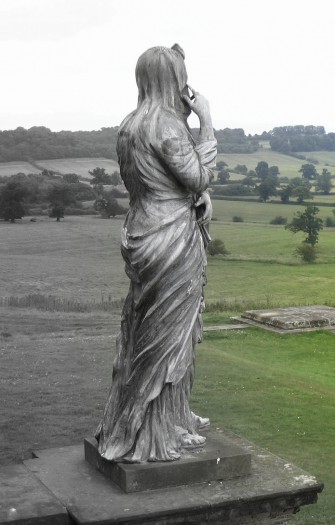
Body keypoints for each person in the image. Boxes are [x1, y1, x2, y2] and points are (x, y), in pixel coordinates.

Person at [96, 44, 216, 463]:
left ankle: (171, 417)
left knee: (149, 334)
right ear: (174, 80)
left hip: (142, 232)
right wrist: (207, 122)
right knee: (166, 340)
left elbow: (159, 186)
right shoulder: (167, 125)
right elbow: (198, 177)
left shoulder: (131, 124)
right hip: (171, 240)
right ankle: (152, 433)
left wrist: (196, 199)